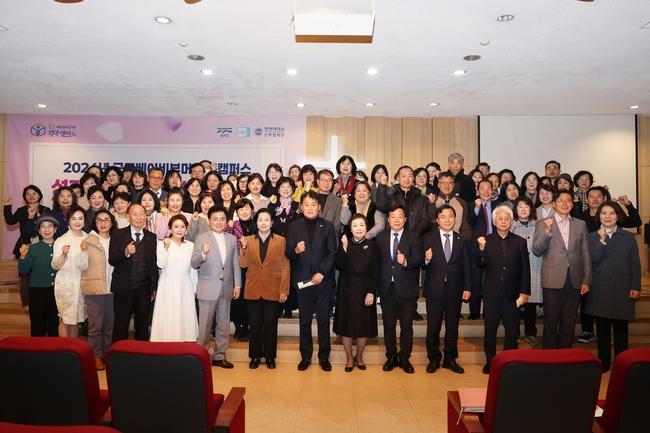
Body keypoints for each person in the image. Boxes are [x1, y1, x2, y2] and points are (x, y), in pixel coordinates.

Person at [586, 201, 641, 371]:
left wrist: (636, 286)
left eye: (612, 213)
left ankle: (621, 364)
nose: (607, 216)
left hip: (623, 287)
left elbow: (635, 263)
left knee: (621, 330)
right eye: (604, 213)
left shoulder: (628, 238)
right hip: (600, 288)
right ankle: (603, 362)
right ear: (599, 216)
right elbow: (593, 260)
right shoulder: (591, 237)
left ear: (618, 216)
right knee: (602, 330)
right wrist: (602, 241)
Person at [532, 190, 591, 349]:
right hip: (552, 279)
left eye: (568, 201)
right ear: (554, 204)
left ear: (572, 204)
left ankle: (565, 355)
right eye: (561, 201)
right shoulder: (542, 223)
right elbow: (536, 250)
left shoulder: (580, 224)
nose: (565, 204)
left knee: (569, 321)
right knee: (551, 321)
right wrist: (547, 231)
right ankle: (550, 357)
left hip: (575, 279)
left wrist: (586, 280)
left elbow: (585, 253)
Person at [285, 191, 337, 372]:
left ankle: (324, 357)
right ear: (301, 207)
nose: (310, 208)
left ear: (319, 207)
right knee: (304, 320)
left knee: (323, 320)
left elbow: (332, 252)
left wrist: (322, 272)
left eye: (313, 204)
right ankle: (305, 356)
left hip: (323, 281)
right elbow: (288, 252)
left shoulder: (328, 226)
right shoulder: (293, 226)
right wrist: (296, 250)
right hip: (303, 281)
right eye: (306, 204)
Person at [476, 206, 530, 373]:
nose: (503, 221)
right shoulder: (486, 241)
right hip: (491, 293)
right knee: (490, 330)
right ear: (494, 221)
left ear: (511, 221)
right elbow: (480, 263)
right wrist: (481, 249)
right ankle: (490, 362)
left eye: (507, 218)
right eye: (500, 219)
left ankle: (509, 362)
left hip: (512, 294)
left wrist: (524, 291)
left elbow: (525, 269)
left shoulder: (520, 242)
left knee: (512, 331)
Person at [421, 205, 471, 374]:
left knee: (452, 326)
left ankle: (450, 359)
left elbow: (467, 266)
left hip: (455, 290)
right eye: (443, 217)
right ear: (437, 220)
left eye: (450, 216)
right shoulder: (428, 238)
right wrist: (426, 259)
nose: (447, 219)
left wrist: (467, 287)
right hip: (434, 289)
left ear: (455, 219)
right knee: (433, 326)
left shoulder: (461, 240)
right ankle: (434, 358)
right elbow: (420, 263)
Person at [239, 208, 290, 369]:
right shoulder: (247, 240)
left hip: (273, 289)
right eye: (260, 220)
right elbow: (243, 265)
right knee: (254, 325)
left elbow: (285, 266)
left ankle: (269, 357)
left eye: (266, 220)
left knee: (270, 325)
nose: (263, 223)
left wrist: (284, 290)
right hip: (253, 289)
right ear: (256, 222)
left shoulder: (281, 241)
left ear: (272, 222)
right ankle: (254, 356)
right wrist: (243, 248)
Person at [191, 206, 241, 368]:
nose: (219, 222)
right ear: (209, 221)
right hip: (207, 288)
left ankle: (220, 356)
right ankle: (201, 356)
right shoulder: (201, 238)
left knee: (223, 325)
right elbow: (194, 263)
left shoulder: (231, 239)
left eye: (222, 219)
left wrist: (237, 285)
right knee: (205, 326)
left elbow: (235, 264)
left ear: (226, 221)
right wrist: (203, 253)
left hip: (226, 288)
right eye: (215, 219)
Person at [376, 205, 423, 374]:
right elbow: (376, 263)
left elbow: (419, 259)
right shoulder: (381, 237)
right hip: (386, 288)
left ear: (405, 219)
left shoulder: (414, 237)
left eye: (400, 216)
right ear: (388, 219)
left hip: (407, 289)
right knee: (388, 325)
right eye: (393, 216)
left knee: (406, 326)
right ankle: (391, 356)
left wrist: (406, 261)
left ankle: (404, 357)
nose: (396, 220)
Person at [334, 214, 379, 372]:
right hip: (346, 288)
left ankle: (359, 357)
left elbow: (376, 271)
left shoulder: (373, 246)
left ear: (366, 228)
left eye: (361, 225)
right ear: (350, 229)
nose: (358, 228)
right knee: (345, 325)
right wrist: (344, 248)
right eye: (355, 225)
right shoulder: (344, 243)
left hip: (365, 290)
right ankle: (349, 358)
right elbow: (339, 265)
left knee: (363, 326)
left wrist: (371, 292)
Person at [109, 203, 159, 342]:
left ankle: (141, 353)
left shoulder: (151, 237)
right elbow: (112, 259)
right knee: (121, 324)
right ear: (128, 217)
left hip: (144, 287)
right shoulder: (118, 234)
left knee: (142, 324)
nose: (138, 217)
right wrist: (125, 252)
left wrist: (154, 287)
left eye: (141, 214)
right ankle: (118, 353)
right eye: (135, 214)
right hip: (123, 287)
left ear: (145, 216)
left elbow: (153, 264)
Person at [150, 214, 199, 342]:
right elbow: (161, 264)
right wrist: (165, 248)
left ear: (186, 229)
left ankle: (183, 343)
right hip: (167, 283)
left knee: (184, 313)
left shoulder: (191, 245)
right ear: (170, 229)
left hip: (185, 284)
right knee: (169, 313)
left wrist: (194, 289)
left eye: (182, 227)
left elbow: (193, 269)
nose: (179, 229)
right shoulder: (162, 244)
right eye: (176, 226)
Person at [4, 185, 50, 309]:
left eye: (34, 193)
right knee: (25, 276)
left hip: (42, 248)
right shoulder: (21, 210)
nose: (31, 196)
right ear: (24, 197)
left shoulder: (46, 210)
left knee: (41, 274)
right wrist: (7, 206)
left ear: (39, 195)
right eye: (28, 194)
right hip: (25, 247)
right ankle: (26, 302)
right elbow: (10, 221)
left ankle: (40, 301)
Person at [79, 209, 115, 369]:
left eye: (106, 220)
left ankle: (107, 353)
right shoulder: (89, 240)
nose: (103, 223)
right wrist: (83, 251)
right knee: (95, 326)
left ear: (112, 223)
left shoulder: (116, 240)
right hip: (94, 289)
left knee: (109, 325)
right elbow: (80, 265)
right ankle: (96, 356)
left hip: (113, 288)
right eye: (99, 220)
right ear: (95, 223)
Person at [17, 215, 59, 337]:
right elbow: (23, 271)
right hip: (37, 292)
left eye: (50, 226)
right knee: (37, 326)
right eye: (43, 227)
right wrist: (23, 256)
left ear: (55, 229)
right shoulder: (33, 248)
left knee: (54, 326)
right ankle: (37, 348)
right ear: (39, 231)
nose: (46, 230)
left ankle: (54, 348)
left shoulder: (61, 247)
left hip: (57, 291)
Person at [51, 206, 89, 338]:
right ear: (68, 221)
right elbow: (55, 265)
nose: (77, 222)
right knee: (65, 318)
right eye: (73, 219)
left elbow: (87, 265)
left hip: (82, 283)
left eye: (80, 218)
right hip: (65, 283)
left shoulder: (89, 238)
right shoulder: (61, 240)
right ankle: (64, 348)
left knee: (76, 319)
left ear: (84, 221)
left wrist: (84, 250)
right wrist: (63, 255)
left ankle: (73, 348)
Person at [510, 197, 543, 346]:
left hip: (534, 267)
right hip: (515, 268)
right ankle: (514, 333)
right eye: (520, 206)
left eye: (526, 206)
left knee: (530, 302)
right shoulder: (511, 225)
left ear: (531, 209)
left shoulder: (538, 225)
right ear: (515, 209)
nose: (523, 209)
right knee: (515, 302)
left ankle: (530, 333)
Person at [467, 179, 499, 320]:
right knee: (475, 279)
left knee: (492, 281)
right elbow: (471, 221)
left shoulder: (498, 206)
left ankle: (489, 312)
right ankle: (474, 312)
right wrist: (477, 207)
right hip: (477, 247)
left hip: (495, 247)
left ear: (493, 191)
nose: (486, 191)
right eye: (482, 188)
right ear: (477, 191)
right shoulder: (471, 205)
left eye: (489, 188)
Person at [377, 165, 434, 236]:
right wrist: (382, 186)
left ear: (413, 178)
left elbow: (425, 219)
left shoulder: (421, 198)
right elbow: (382, 207)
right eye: (403, 176)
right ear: (398, 178)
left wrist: (413, 234)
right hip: (394, 235)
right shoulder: (391, 194)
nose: (407, 179)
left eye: (410, 176)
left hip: (414, 236)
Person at [434, 171, 471, 240]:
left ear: (453, 185)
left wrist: (464, 241)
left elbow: (465, 226)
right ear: (438, 185)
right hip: (436, 240)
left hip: (457, 241)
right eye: (443, 183)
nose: (447, 186)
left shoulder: (462, 203)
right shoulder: (432, 201)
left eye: (450, 183)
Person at [315, 169, 345, 234]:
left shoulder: (338, 201)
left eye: (329, 180)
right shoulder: (311, 197)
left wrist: (326, 235)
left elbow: (337, 224)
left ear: (332, 182)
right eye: (323, 180)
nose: (326, 183)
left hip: (331, 236)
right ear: (318, 181)